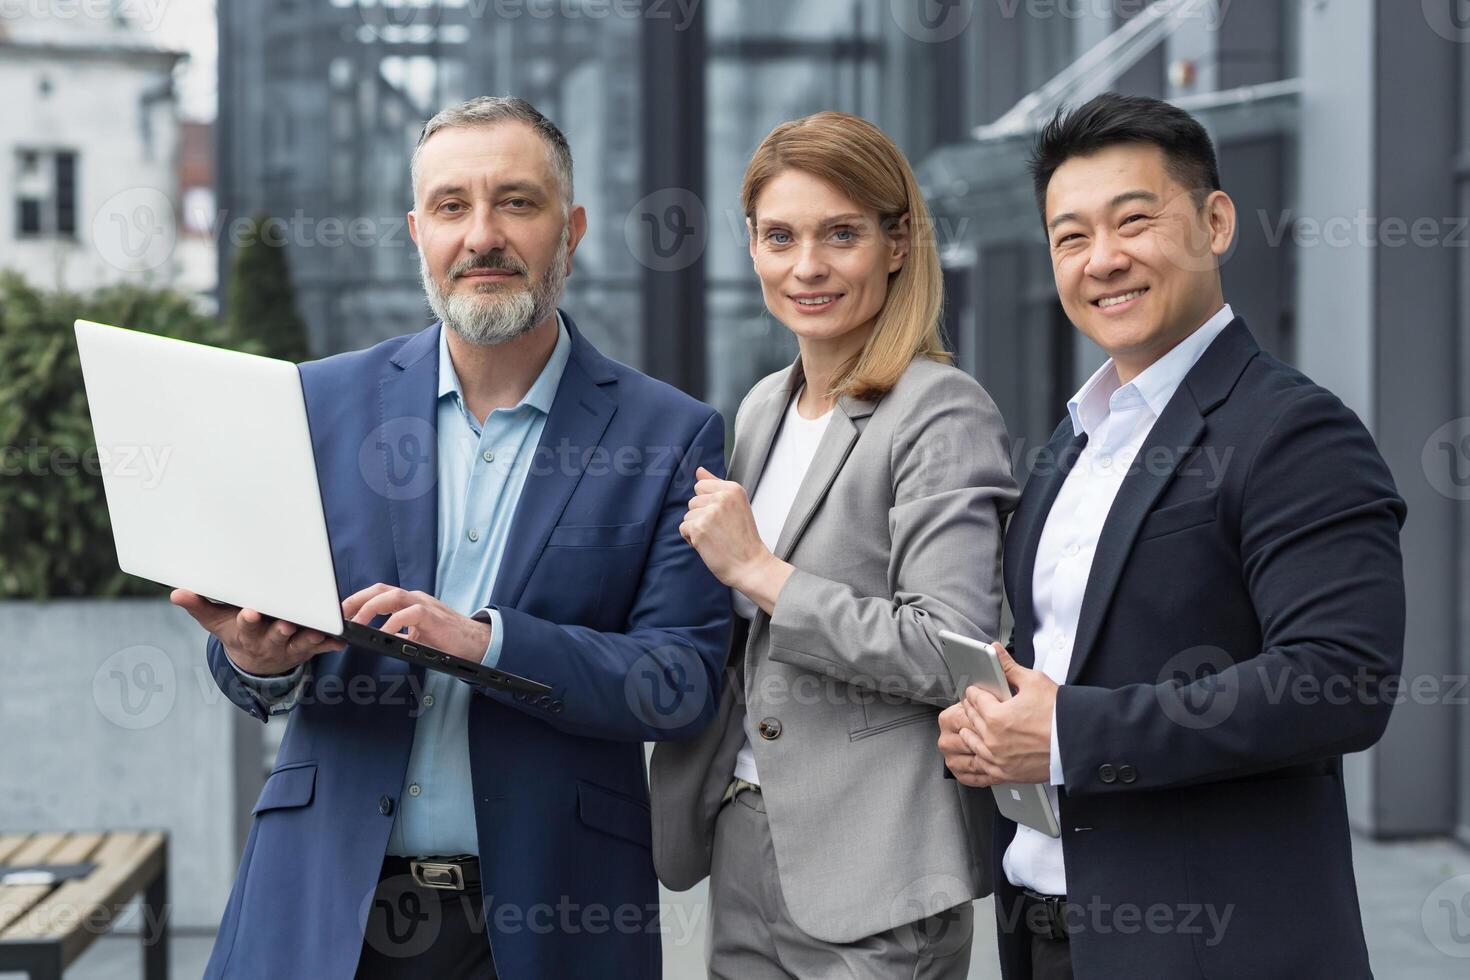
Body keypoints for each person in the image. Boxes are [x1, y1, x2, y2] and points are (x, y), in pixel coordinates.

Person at [172, 96, 731, 980]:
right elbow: (247, 652)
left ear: (572, 228)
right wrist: (255, 658)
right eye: (451, 207)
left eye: (517, 202)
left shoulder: (670, 434)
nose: (483, 236)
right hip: (322, 906)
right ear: (417, 232)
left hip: (554, 918)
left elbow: (682, 680)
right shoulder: (316, 406)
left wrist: (485, 644)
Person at [938, 93, 1407, 979]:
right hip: (1046, 934)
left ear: (1216, 222)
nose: (1103, 259)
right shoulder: (1071, 444)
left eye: (1134, 221)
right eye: (1071, 237)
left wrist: (1071, 732)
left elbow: (1338, 681)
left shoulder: (1293, 431)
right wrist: (995, 727)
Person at [650, 111, 1018, 979]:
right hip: (743, 836)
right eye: (780, 236)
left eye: (840, 235)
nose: (806, 266)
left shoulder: (940, 409)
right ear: (751, 247)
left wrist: (760, 572)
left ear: (897, 243)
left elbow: (948, 648)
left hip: (875, 868)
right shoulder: (761, 409)